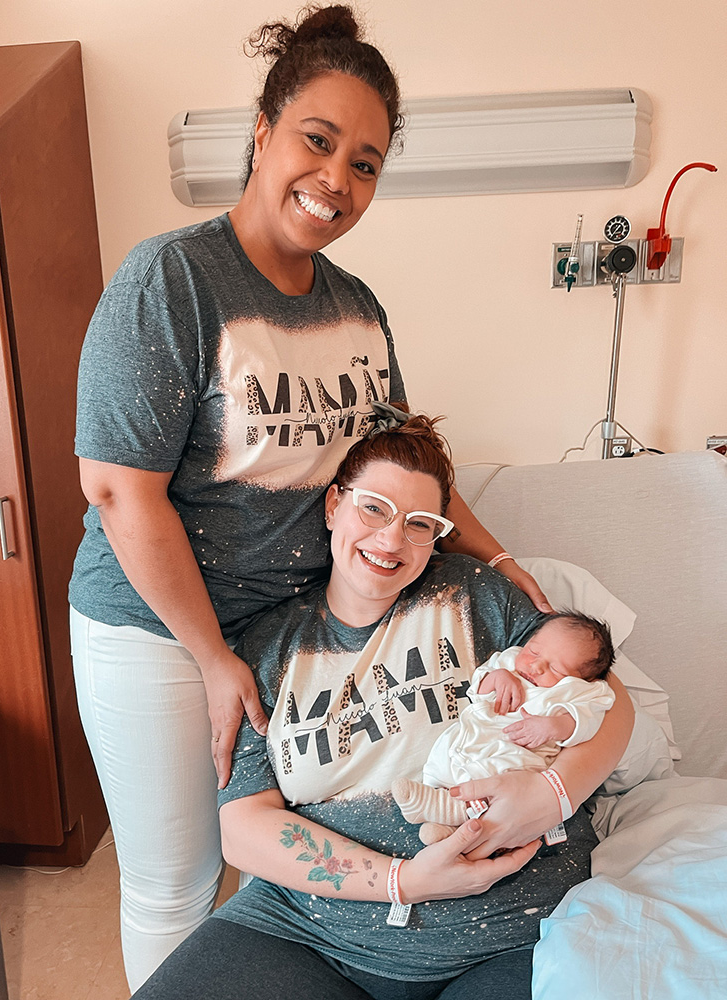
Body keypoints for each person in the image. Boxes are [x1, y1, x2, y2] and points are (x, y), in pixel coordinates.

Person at [68, 4, 549, 989]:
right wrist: (208, 656)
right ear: (262, 130)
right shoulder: (173, 278)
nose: (335, 180)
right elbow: (120, 490)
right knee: (177, 879)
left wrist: (499, 564)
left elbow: (408, 467)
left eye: (364, 163)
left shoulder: (354, 307)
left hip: (288, 628)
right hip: (157, 629)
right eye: (316, 141)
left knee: (278, 870)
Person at [131, 406, 634, 1000]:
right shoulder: (270, 647)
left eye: (419, 523)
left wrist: (554, 794)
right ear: (332, 505)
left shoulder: (473, 595)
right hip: (306, 931)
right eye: (373, 508)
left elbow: (606, 699)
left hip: (511, 930)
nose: (392, 539)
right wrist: (403, 881)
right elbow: (243, 829)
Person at [392, 613, 616, 840]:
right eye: (533, 651)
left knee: (500, 773)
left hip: (517, 750)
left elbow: (587, 720)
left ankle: (448, 812)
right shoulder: (509, 661)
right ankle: (442, 818)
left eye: (556, 669)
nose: (536, 665)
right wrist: (497, 677)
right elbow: (476, 691)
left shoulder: (584, 691)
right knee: (443, 755)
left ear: (584, 680)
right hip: (473, 734)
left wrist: (554, 726)